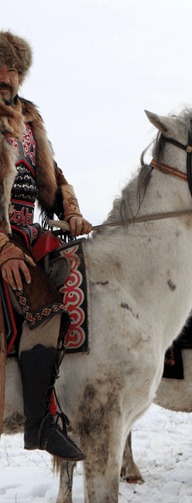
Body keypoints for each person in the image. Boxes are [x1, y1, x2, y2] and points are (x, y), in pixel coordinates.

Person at [0, 31, 92, 460]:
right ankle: (40, 423)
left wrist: (70, 210)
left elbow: (54, 180)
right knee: (43, 305)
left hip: (28, 235)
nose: (5, 76)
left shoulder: (32, 120)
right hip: (3, 239)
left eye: (12, 69)